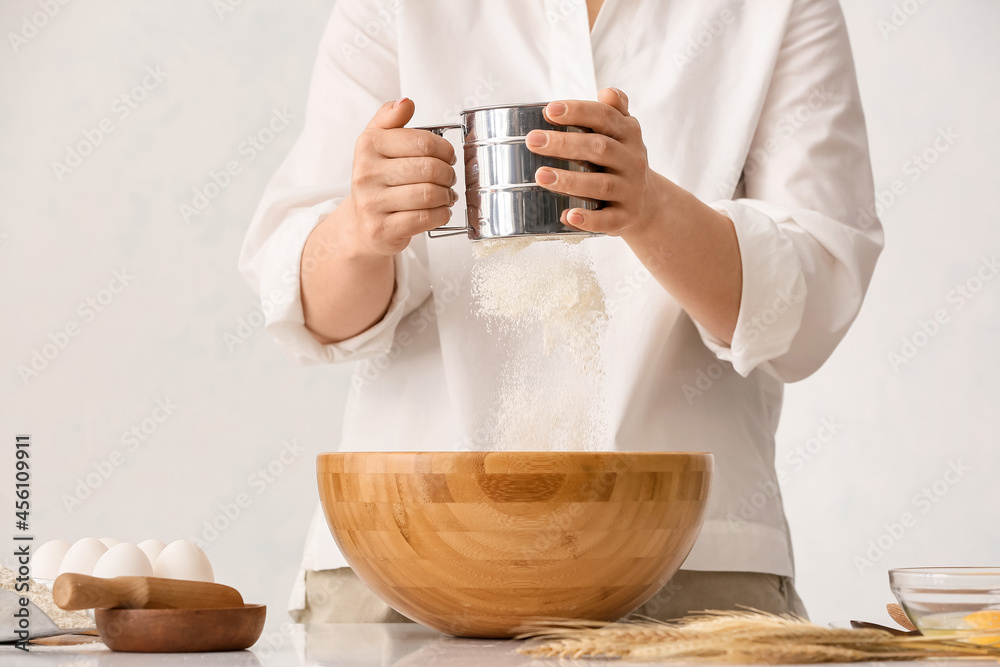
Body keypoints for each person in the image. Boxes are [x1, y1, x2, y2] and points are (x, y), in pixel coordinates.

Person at [240, 0, 882, 623]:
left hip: (686, 557)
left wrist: (652, 209)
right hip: (408, 554)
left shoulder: (780, 7)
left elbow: (811, 307)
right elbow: (312, 315)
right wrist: (360, 229)